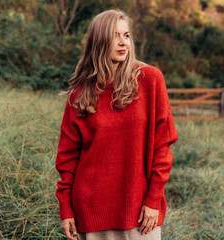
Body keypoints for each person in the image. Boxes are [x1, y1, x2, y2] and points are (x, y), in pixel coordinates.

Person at [55, 9, 178, 240]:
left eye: (127, 35)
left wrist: (153, 198)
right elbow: (67, 157)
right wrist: (65, 207)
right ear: (99, 42)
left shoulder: (150, 80)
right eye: (115, 36)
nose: (123, 43)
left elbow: (163, 145)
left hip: (140, 212)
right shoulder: (80, 93)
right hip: (90, 210)